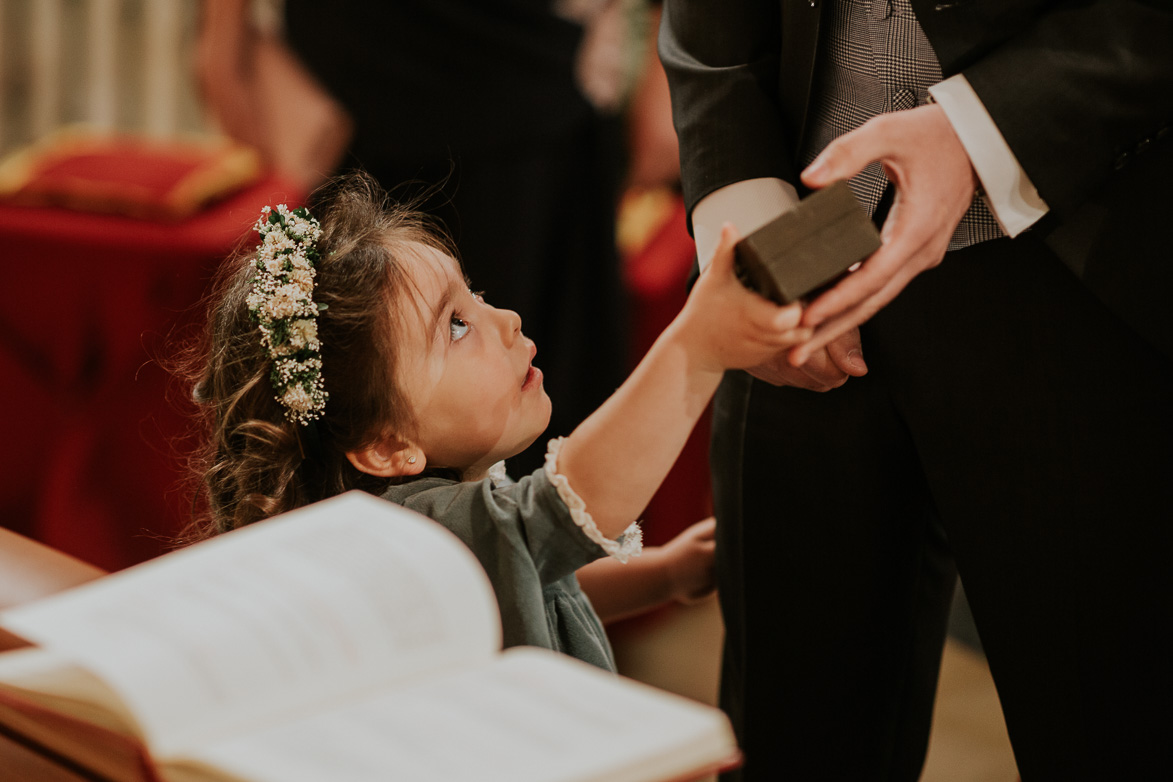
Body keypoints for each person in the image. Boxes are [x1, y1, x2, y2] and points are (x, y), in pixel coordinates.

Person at [659, 0, 1173, 779]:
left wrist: (983, 129)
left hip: (1084, 271)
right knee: (790, 737)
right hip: (794, 240)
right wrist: (749, 223)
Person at [186, 172, 803, 671]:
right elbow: (564, 510)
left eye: (473, 295)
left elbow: (534, 575)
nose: (505, 318)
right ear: (386, 445)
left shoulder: (456, 508)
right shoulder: (411, 534)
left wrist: (664, 573)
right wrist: (695, 349)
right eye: (455, 326)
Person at [196, 0, 630, 477]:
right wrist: (222, 32)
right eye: (462, 319)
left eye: (478, 298)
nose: (510, 319)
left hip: (507, 67)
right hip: (359, 66)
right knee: (372, 352)